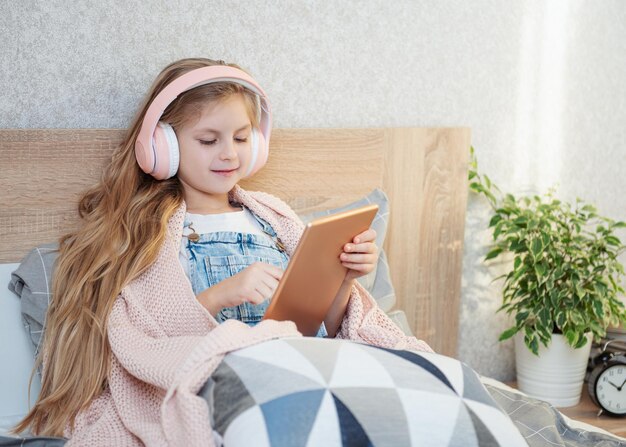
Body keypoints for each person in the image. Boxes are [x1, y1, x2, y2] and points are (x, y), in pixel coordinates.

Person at [15, 58, 432, 444]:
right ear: (164, 146)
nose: (229, 153)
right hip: (225, 380)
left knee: (417, 398)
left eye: (240, 137)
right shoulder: (147, 233)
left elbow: (327, 324)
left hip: (306, 363)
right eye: (209, 140)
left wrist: (343, 279)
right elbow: (146, 340)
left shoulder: (274, 217)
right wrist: (224, 294)